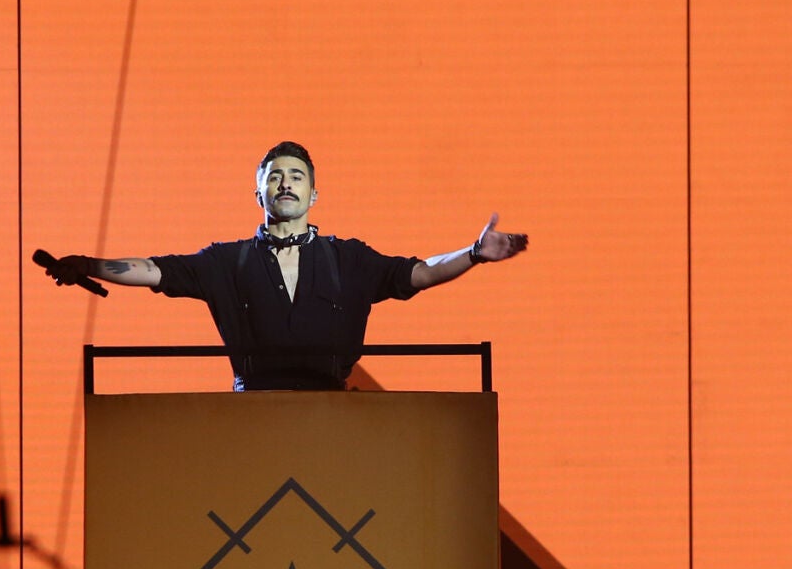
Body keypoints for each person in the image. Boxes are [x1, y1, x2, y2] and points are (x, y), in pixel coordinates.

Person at [42, 141, 527, 390]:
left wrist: (472, 253)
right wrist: (89, 263)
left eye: (297, 176)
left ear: (314, 194)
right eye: (275, 177)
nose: (286, 183)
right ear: (260, 194)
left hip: (330, 411)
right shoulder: (226, 261)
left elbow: (418, 273)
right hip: (254, 414)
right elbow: (154, 270)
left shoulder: (348, 258)